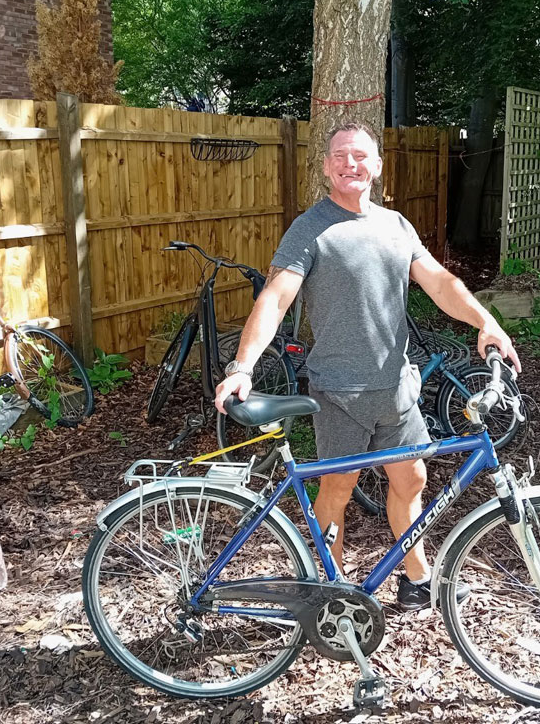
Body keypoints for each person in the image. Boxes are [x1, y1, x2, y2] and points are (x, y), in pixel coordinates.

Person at [215, 121, 520, 610]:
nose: (349, 164)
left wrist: (485, 320)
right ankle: (330, 594)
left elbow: (440, 283)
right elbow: (274, 299)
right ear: (325, 166)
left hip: (395, 389)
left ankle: (417, 580)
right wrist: (242, 366)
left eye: (359, 155)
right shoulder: (311, 228)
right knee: (337, 490)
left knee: (413, 480)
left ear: (377, 166)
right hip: (339, 393)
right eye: (339, 156)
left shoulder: (396, 226)